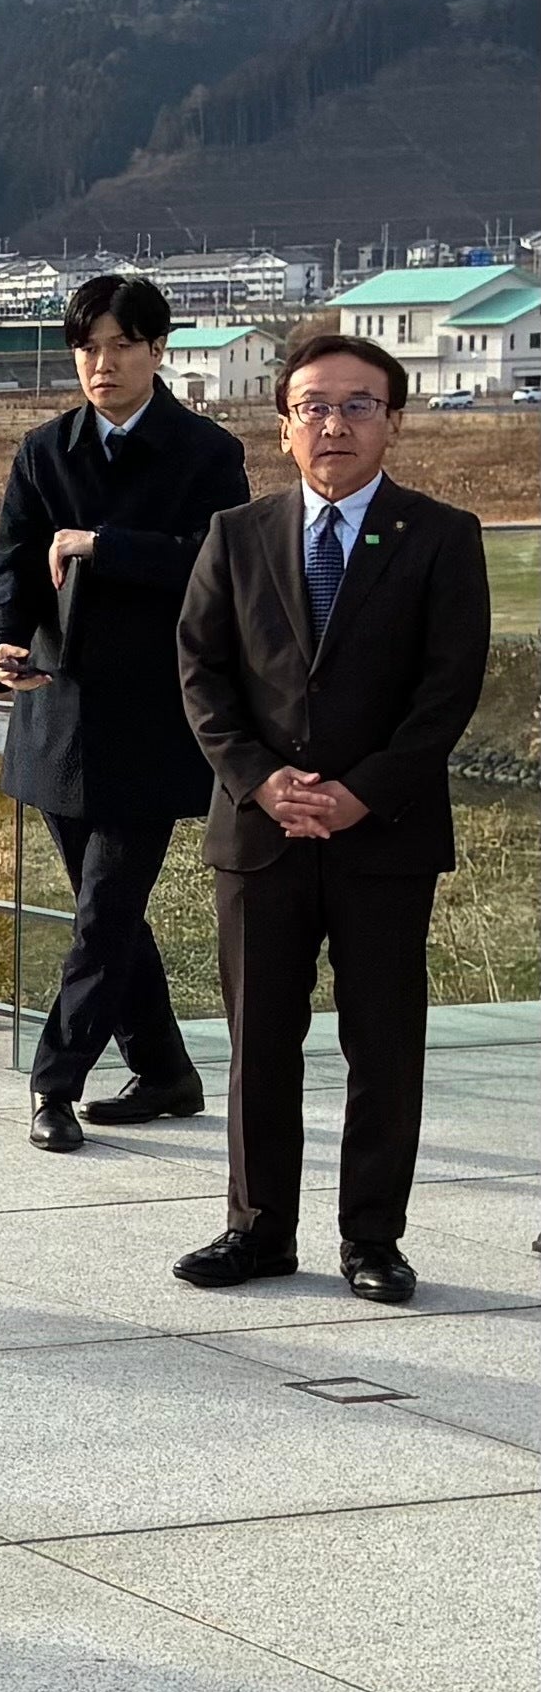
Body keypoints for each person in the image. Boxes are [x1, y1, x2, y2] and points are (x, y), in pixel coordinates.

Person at [173, 334, 489, 1304]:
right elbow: (200, 673)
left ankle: (371, 1240)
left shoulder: (439, 534)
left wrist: (359, 791)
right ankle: (255, 1228)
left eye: (357, 405)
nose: (333, 423)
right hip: (258, 832)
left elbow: (446, 691)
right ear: (281, 428)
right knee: (257, 1040)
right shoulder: (234, 533)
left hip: (381, 837)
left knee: (381, 1046)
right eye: (312, 405)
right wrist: (261, 780)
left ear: (392, 421)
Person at [0, 275, 250, 1152]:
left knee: (102, 910)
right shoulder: (42, 450)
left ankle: (52, 1085)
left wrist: (105, 545)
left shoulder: (204, 451)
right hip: (56, 712)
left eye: (121, 345)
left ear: (155, 350)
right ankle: (164, 1068)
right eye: (87, 347)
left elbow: (220, 566)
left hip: (156, 716)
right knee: (113, 915)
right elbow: (12, 570)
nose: (102, 362)